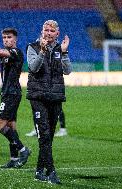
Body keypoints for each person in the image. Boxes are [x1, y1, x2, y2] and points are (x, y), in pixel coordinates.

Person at [26, 20, 72, 184]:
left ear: (57, 34)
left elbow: (67, 71)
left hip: (56, 97)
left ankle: (39, 171)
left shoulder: (61, 49)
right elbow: (33, 67)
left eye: (52, 31)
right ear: (42, 30)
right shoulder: (33, 46)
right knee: (44, 136)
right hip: (38, 97)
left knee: (48, 137)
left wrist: (65, 53)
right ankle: (51, 172)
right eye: (46, 30)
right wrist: (43, 52)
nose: (48, 33)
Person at [0, 19, 31, 168]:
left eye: (9, 37)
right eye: (4, 37)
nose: (6, 40)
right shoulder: (6, 54)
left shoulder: (16, 52)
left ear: (15, 39)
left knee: (0, 125)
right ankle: (14, 159)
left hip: (11, 93)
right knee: (11, 127)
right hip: (9, 93)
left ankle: (23, 150)